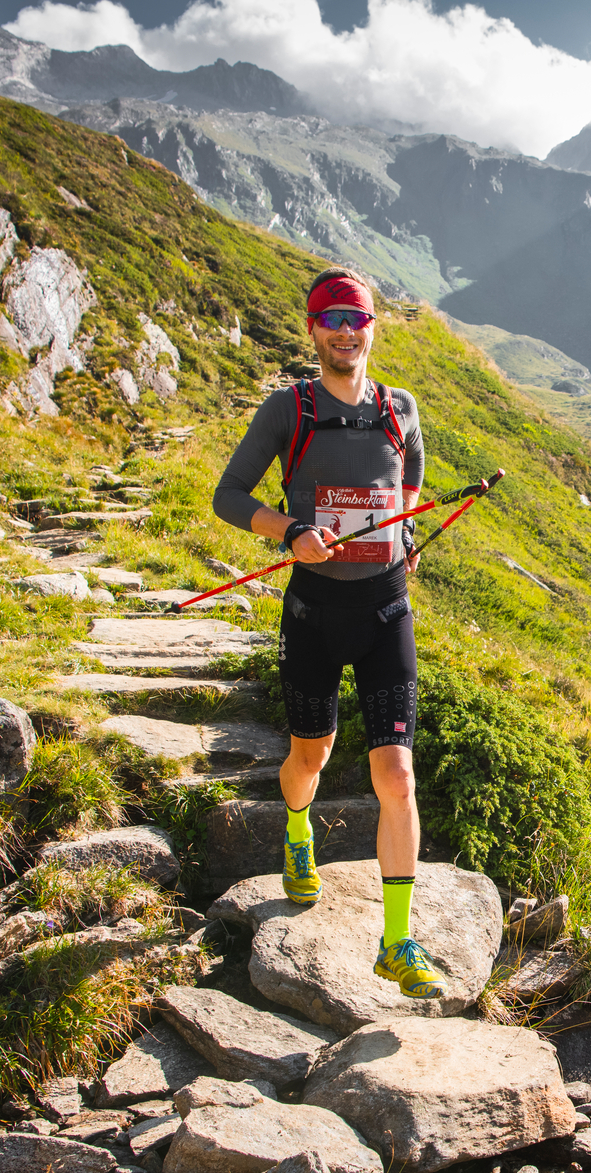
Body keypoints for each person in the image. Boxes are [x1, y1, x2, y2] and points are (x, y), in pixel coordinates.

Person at [211, 266, 442, 999]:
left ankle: (398, 940)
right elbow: (228, 494)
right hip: (314, 611)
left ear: (374, 327)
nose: (347, 331)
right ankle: (298, 824)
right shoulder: (291, 409)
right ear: (313, 329)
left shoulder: (401, 409)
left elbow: (408, 488)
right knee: (310, 756)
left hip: (386, 612)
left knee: (397, 774)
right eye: (332, 319)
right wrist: (291, 532)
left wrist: (403, 536)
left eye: (358, 319)